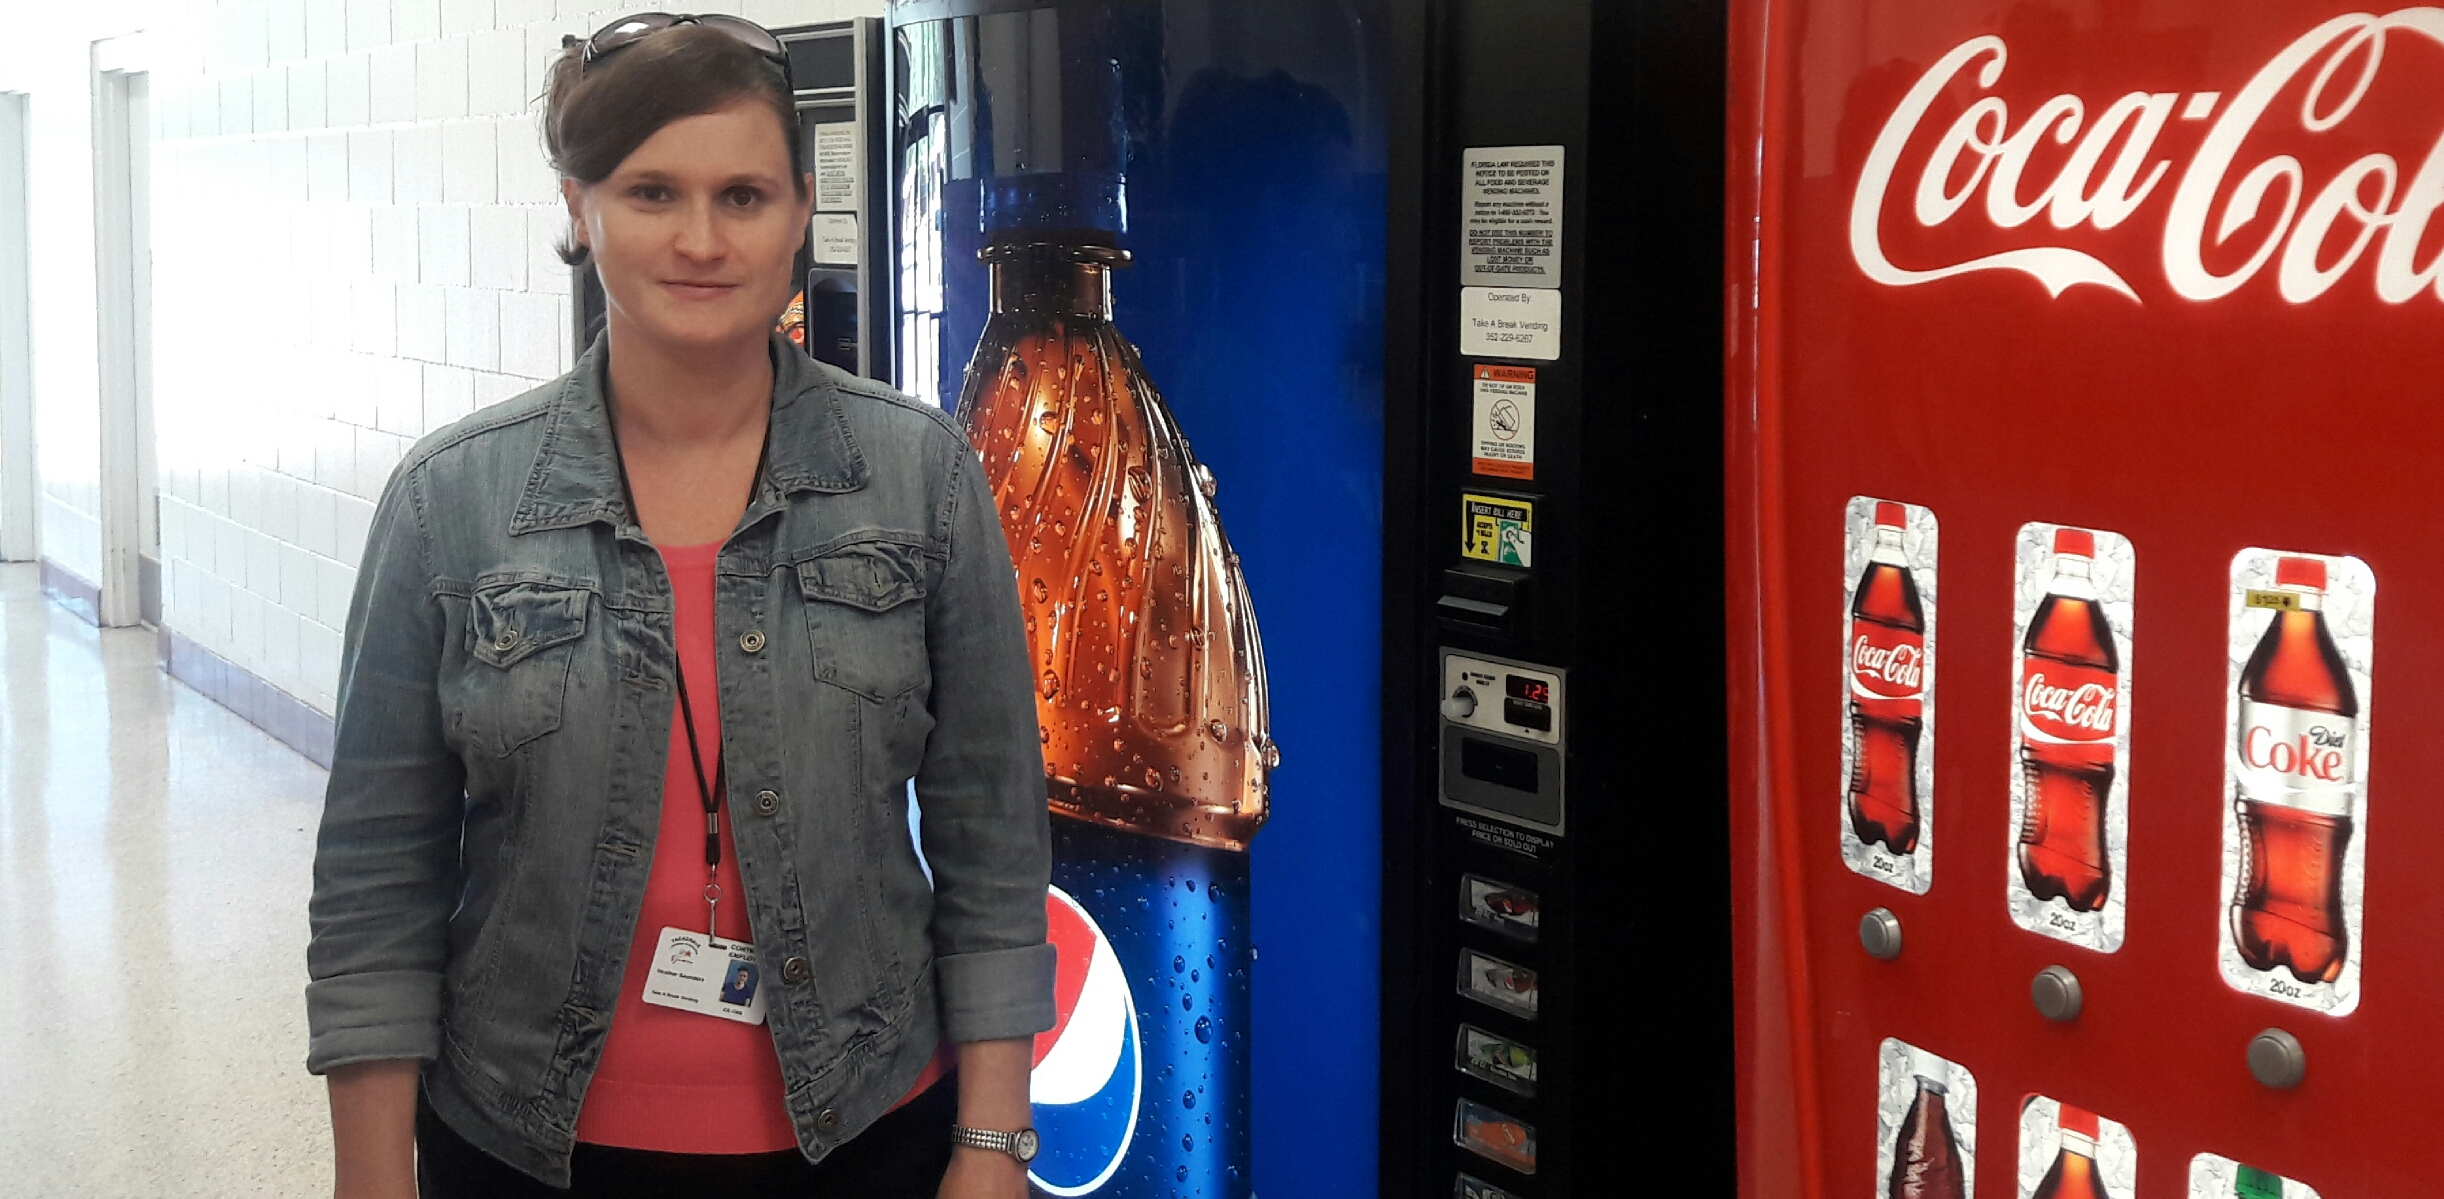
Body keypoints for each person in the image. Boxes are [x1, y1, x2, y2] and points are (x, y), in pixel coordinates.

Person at [304, 14, 1052, 1198]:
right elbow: (377, 874)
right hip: (522, 1143)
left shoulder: (920, 479)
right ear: (577, 203)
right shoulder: (451, 501)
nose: (700, 238)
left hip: (865, 1133)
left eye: (743, 195)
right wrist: (369, 1177)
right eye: (651, 191)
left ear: (802, 211)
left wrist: (992, 1139)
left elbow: (991, 841)